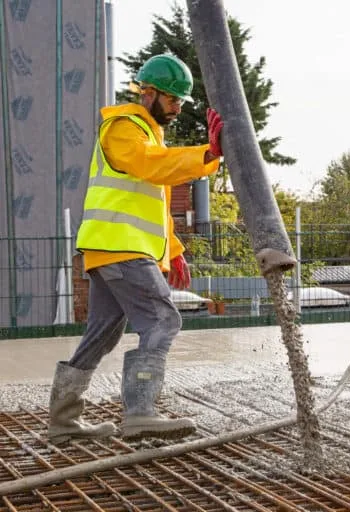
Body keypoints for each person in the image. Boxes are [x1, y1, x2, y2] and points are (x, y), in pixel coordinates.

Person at [47, 53, 224, 444]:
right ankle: (140, 413)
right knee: (163, 321)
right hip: (121, 249)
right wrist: (207, 154)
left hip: (113, 249)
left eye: (181, 101)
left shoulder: (147, 134)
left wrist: (173, 250)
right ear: (148, 93)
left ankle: (62, 422)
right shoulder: (123, 128)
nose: (177, 107)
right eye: (173, 99)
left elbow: (151, 200)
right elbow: (151, 165)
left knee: (102, 335)